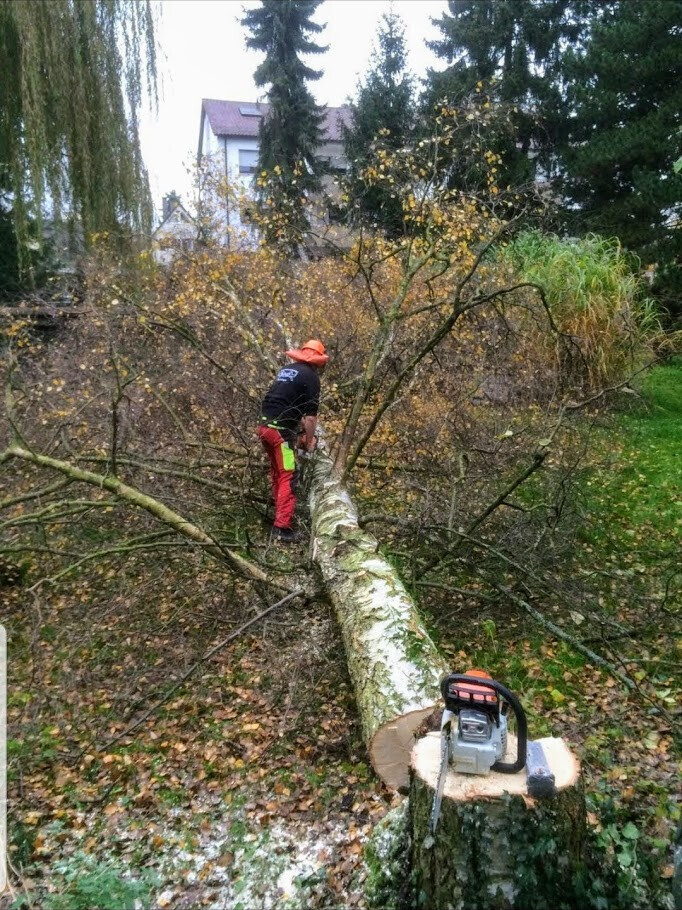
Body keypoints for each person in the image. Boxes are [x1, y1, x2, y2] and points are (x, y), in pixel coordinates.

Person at [258, 339, 329, 542]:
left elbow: (285, 402)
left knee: (277, 473)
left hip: (264, 427)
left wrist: (296, 433)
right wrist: (307, 442)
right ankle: (282, 528)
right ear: (318, 361)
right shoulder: (312, 378)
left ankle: (279, 515)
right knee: (289, 475)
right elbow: (310, 417)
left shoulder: (287, 370)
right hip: (280, 431)